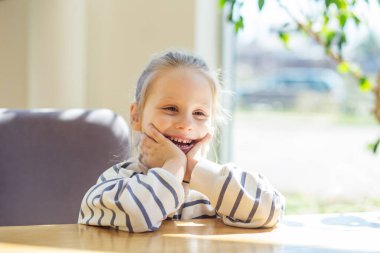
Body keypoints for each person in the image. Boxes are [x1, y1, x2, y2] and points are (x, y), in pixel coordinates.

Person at [78, 50, 285, 232]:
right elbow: (140, 214)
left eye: (199, 113)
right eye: (171, 109)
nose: (186, 124)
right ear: (136, 117)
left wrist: (193, 170)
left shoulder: (214, 189)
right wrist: (175, 166)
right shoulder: (113, 184)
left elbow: (270, 211)